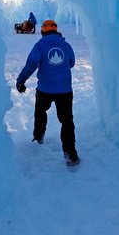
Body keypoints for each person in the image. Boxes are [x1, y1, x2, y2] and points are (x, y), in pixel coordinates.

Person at [16, 19, 80, 166]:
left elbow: (32, 63)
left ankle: (38, 138)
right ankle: (70, 154)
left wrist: (21, 80)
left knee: (40, 112)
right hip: (64, 90)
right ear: (56, 30)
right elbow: (71, 62)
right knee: (67, 121)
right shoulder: (66, 45)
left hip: (45, 89)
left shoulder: (40, 45)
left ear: (44, 30)